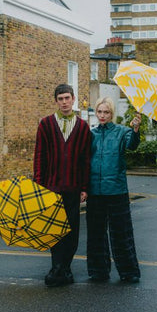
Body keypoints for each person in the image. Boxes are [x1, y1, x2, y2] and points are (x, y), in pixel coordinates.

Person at [33, 84, 91, 287]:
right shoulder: (46, 124)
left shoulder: (83, 127)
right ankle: (56, 268)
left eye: (67, 98)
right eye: (60, 99)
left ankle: (65, 268)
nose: (64, 102)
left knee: (72, 231)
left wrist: (85, 187)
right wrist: (39, 186)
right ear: (56, 101)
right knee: (54, 230)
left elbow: (85, 160)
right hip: (51, 189)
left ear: (73, 99)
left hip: (73, 188)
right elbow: (39, 157)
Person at [86, 97, 141, 284]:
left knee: (121, 233)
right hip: (95, 191)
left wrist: (135, 129)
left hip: (116, 190)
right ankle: (98, 271)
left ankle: (129, 272)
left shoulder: (122, 131)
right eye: (99, 112)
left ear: (112, 114)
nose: (102, 115)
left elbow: (131, 144)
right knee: (96, 234)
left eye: (106, 112)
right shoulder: (90, 134)